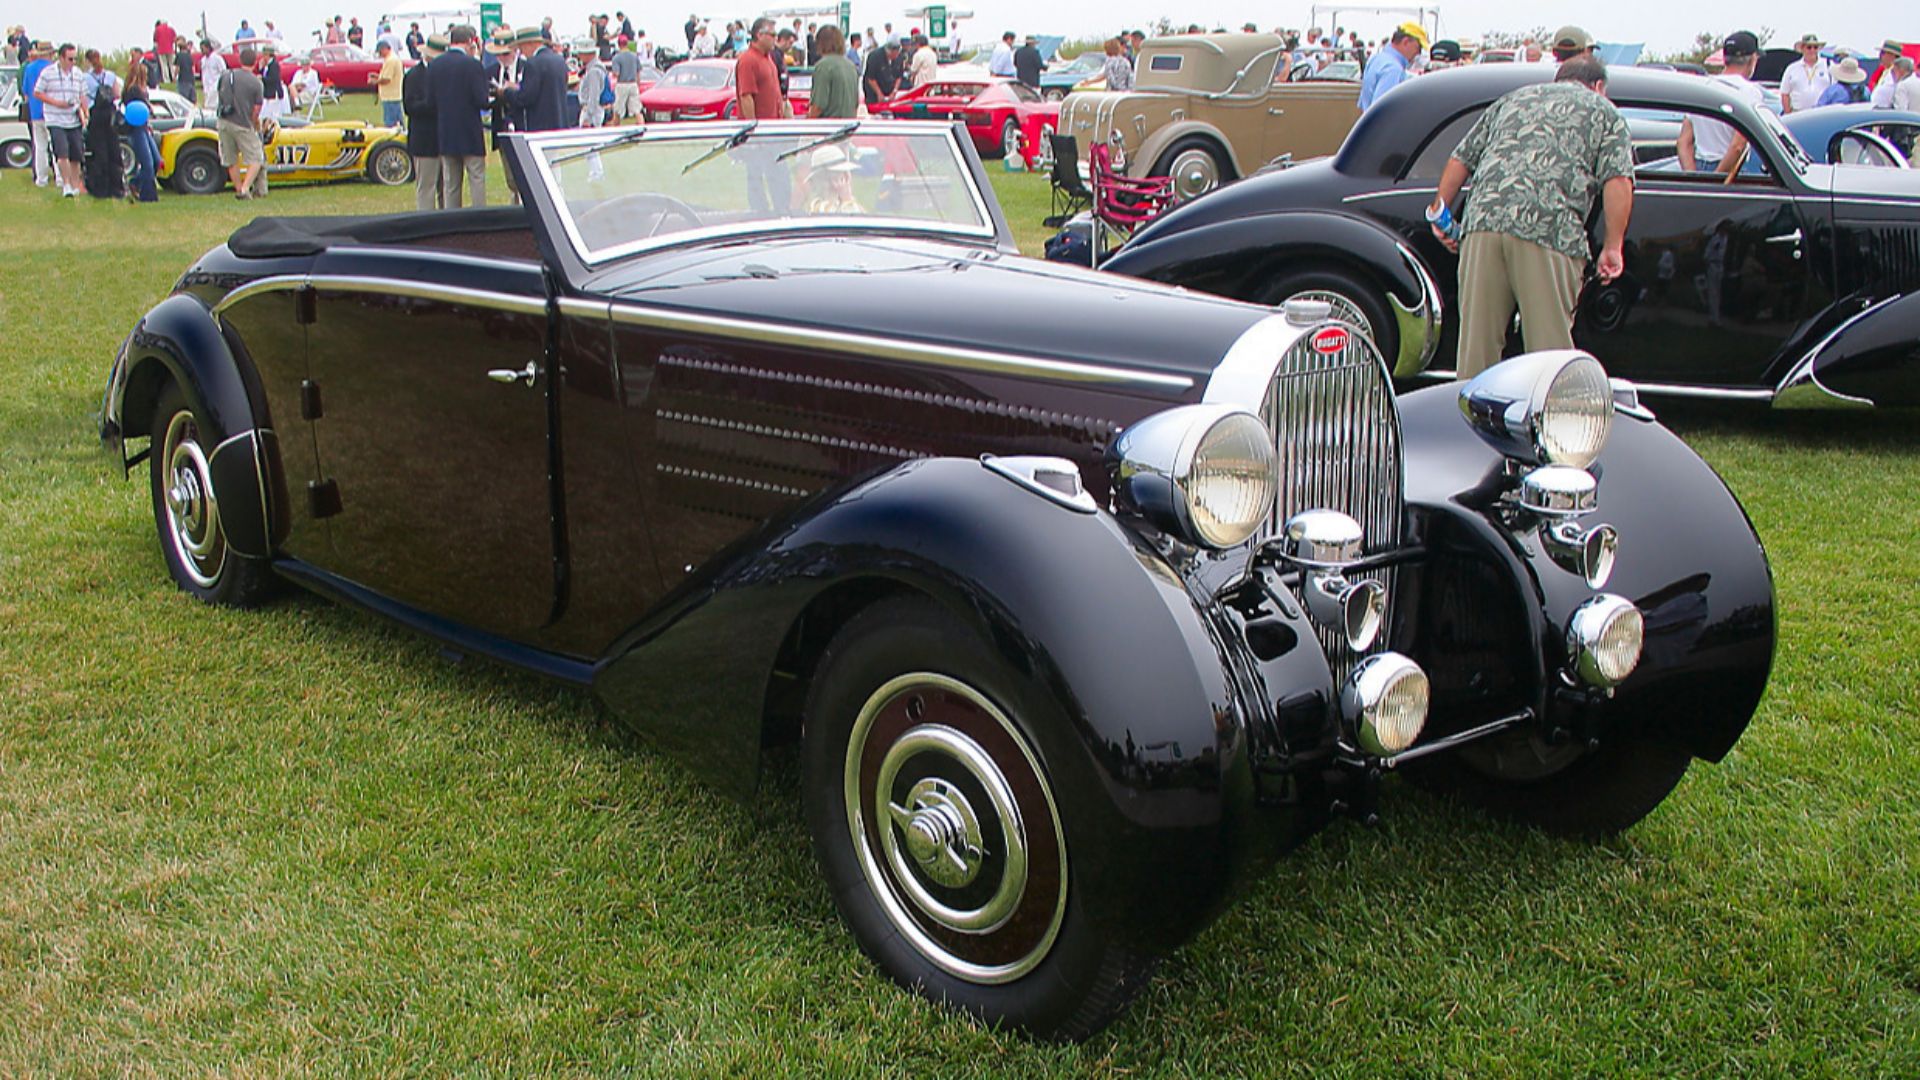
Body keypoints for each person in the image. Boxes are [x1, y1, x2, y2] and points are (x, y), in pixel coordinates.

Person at [1427, 55, 1633, 379]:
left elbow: (1461, 159)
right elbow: (1618, 180)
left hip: (1483, 222)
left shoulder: (1512, 99)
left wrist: (1440, 212)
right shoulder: (1603, 110)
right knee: (1548, 353)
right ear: (1598, 86)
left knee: (1476, 349)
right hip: (1549, 229)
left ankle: (1469, 422)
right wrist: (1612, 246)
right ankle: (1547, 422)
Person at [1679, 32, 1763, 173]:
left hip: (1700, 165)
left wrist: (1692, 177)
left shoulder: (1701, 88)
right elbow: (1737, 146)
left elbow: (1683, 142)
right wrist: (1718, 180)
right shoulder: (1748, 92)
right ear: (1752, 59)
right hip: (1730, 168)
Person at [734, 17, 789, 214]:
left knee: (779, 175)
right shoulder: (748, 60)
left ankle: (780, 210)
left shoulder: (769, 59)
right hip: (760, 135)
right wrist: (753, 133)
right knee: (757, 177)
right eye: (772, 35)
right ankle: (760, 212)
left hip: (774, 132)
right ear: (759, 35)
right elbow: (746, 96)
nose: (775, 38)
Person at [431, 25, 489, 206]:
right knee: (476, 178)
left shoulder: (436, 64)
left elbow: (431, 99)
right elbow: (482, 100)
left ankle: (453, 219)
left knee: (451, 183)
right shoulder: (472, 65)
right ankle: (480, 215)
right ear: (470, 42)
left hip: (446, 130)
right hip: (469, 130)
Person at [34, 44, 90, 197]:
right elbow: (37, 92)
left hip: (74, 119)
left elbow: (83, 95)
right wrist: (56, 102)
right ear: (61, 58)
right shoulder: (48, 73)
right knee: (62, 153)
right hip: (55, 118)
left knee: (77, 154)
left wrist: (85, 113)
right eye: (70, 59)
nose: (73, 62)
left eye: (75, 59)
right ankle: (65, 185)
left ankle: (74, 184)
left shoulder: (78, 74)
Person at [217, 45, 267, 199]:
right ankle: (246, 189)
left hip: (223, 120)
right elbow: (257, 109)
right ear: (255, 62)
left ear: (240, 60)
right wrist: (253, 123)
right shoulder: (256, 83)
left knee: (230, 158)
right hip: (243, 123)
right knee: (256, 157)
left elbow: (219, 94)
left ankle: (239, 189)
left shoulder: (226, 76)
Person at [506, 24, 569, 132]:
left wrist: (507, 92)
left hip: (540, 125)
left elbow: (525, 98)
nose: (521, 52)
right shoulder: (559, 60)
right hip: (560, 122)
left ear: (530, 44)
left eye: (521, 47)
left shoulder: (533, 63)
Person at [403, 34, 442, 208]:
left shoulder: (443, 73)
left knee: (447, 188)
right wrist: (433, 105)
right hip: (424, 141)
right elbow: (410, 106)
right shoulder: (414, 75)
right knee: (426, 187)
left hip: (444, 140)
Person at [82, 49, 124, 199]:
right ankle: (117, 187)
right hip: (109, 114)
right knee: (113, 150)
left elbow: (84, 98)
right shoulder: (110, 75)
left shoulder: (85, 78)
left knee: (99, 152)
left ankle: (100, 187)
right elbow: (117, 94)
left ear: (87, 61)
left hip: (96, 114)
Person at [1357, 23, 1425, 111]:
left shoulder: (1376, 59)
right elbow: (1382, 111)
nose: (1418, 53)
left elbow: (1363, 102)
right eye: (1418, 48)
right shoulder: (1393, 69)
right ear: (1406, 42)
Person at [123, 63, 159, 202]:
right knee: (147, 163)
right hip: (136, 129)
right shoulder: (133, 91)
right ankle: (147, 195)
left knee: (156, 161)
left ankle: (136, 182)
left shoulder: (143, 90)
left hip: (144, 127)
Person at [807, 24, 857, 118]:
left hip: (828, 127)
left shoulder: (823, 66)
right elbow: (855, 104)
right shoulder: (851, 66)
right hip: (848, 125)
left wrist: (808, 119)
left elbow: (818, 106)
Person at [20, 42, 52, 188]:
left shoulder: (29, 68)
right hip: (52, 110)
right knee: (55, 146)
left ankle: (41, 178)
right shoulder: (52, 68)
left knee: (39, 146)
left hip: (35, 111)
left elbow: (26, 91)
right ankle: (59, 177)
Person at [1780, 34, 1829, 114]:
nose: (1812, 50)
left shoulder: (1828, 66)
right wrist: (1788, 113)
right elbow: (1785, 93)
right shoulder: (1792, 68)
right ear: (1802, 48)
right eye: (1809, 47)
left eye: (1815, 47)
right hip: (1798, 113)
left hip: (1822, 114)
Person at [371, 40, 405, 126]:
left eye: (380, 51)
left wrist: (375, 81)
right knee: (398, 122)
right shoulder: (393, 58)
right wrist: (378, 76)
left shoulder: (390, 60)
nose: (379, 54)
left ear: (384, 49)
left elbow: (387, 79)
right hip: (394, 96)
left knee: (391, 124)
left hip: (390, 97)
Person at [609, 39, 642, 124]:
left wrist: (612, 73)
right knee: (636, 109)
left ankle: (616, 126)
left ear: (619, 45)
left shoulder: (617, 58)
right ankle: (641, 124)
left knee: (618, 109)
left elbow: (616, 73)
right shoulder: (634, 56)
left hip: (622, 84)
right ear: (627, 44)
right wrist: (638, 84)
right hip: (633, 84)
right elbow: (638, 72)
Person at [577, 46, 609, 127]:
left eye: (581, 54)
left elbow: (594, 95)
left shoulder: (593, 71)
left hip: (591, 112)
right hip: (594, 110)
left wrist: (588, 117)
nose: (579, 56)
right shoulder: (596, 68)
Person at [864, 39, 901, 108]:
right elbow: (871, 79)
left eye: (897, 54)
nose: (895, 57)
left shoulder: (898, 58)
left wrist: (894, 91)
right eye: (893, 55)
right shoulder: (875, 57)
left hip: (889, 89)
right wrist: (879, 93)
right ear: (888, 51)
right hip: (873, 90)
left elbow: (898, 77)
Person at [1869, 41, 1903, 105]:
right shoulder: (1884, 72)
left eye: (1883, 53)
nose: (1880, 55)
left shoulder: (1895, 74)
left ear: (1892, 55)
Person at [260, 43, 288, 121]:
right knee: (267, 113)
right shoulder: (267, 65)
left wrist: (262, 78)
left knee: (274, 114)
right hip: (268, 92)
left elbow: (273, 79)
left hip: (274, 93)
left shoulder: (274, 65)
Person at [199, 40, 226, 110]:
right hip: (206, 87)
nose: (201, 51)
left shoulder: (217, 58)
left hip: (215, 86)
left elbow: (223, 71)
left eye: (203, 48)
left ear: (208, 48)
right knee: (207, 106)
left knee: (213, 106)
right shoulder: (203, 60)